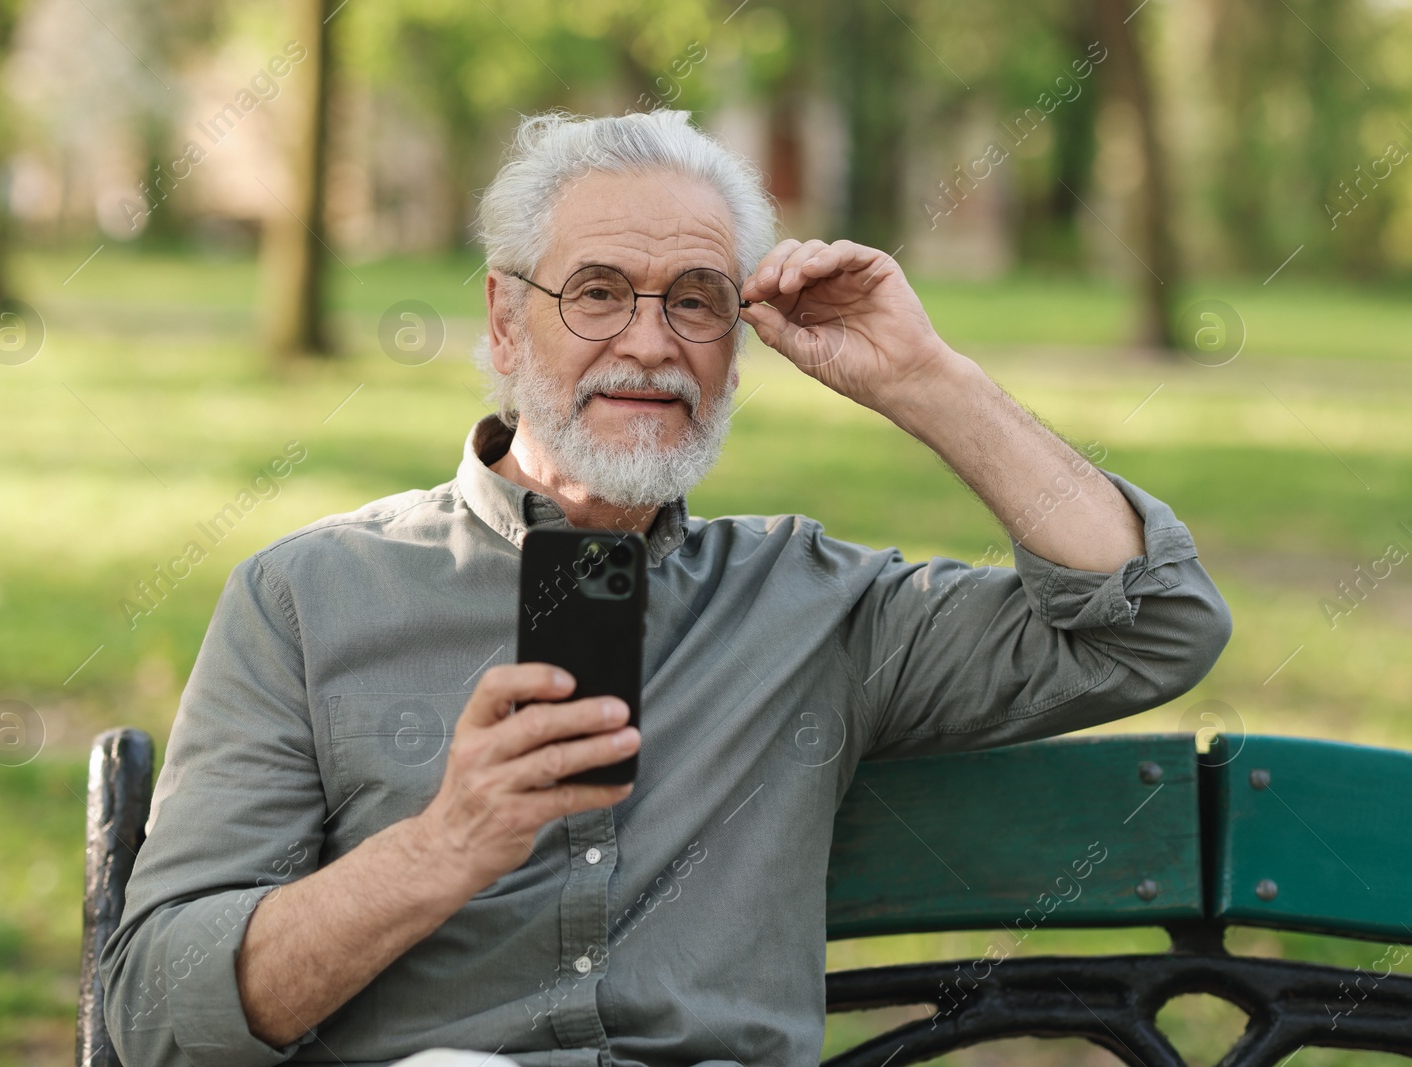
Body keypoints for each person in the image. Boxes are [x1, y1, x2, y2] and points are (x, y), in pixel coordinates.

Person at [100, 108, 1232, 1067]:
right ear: (504, 317)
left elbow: (1151, 626)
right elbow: (156, 1013)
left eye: (694, 300)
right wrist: (444, 843)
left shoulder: (816, 606)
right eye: (597, 292)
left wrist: (927, 383)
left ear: (737, 340)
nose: (648, 342)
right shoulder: (310, 597)